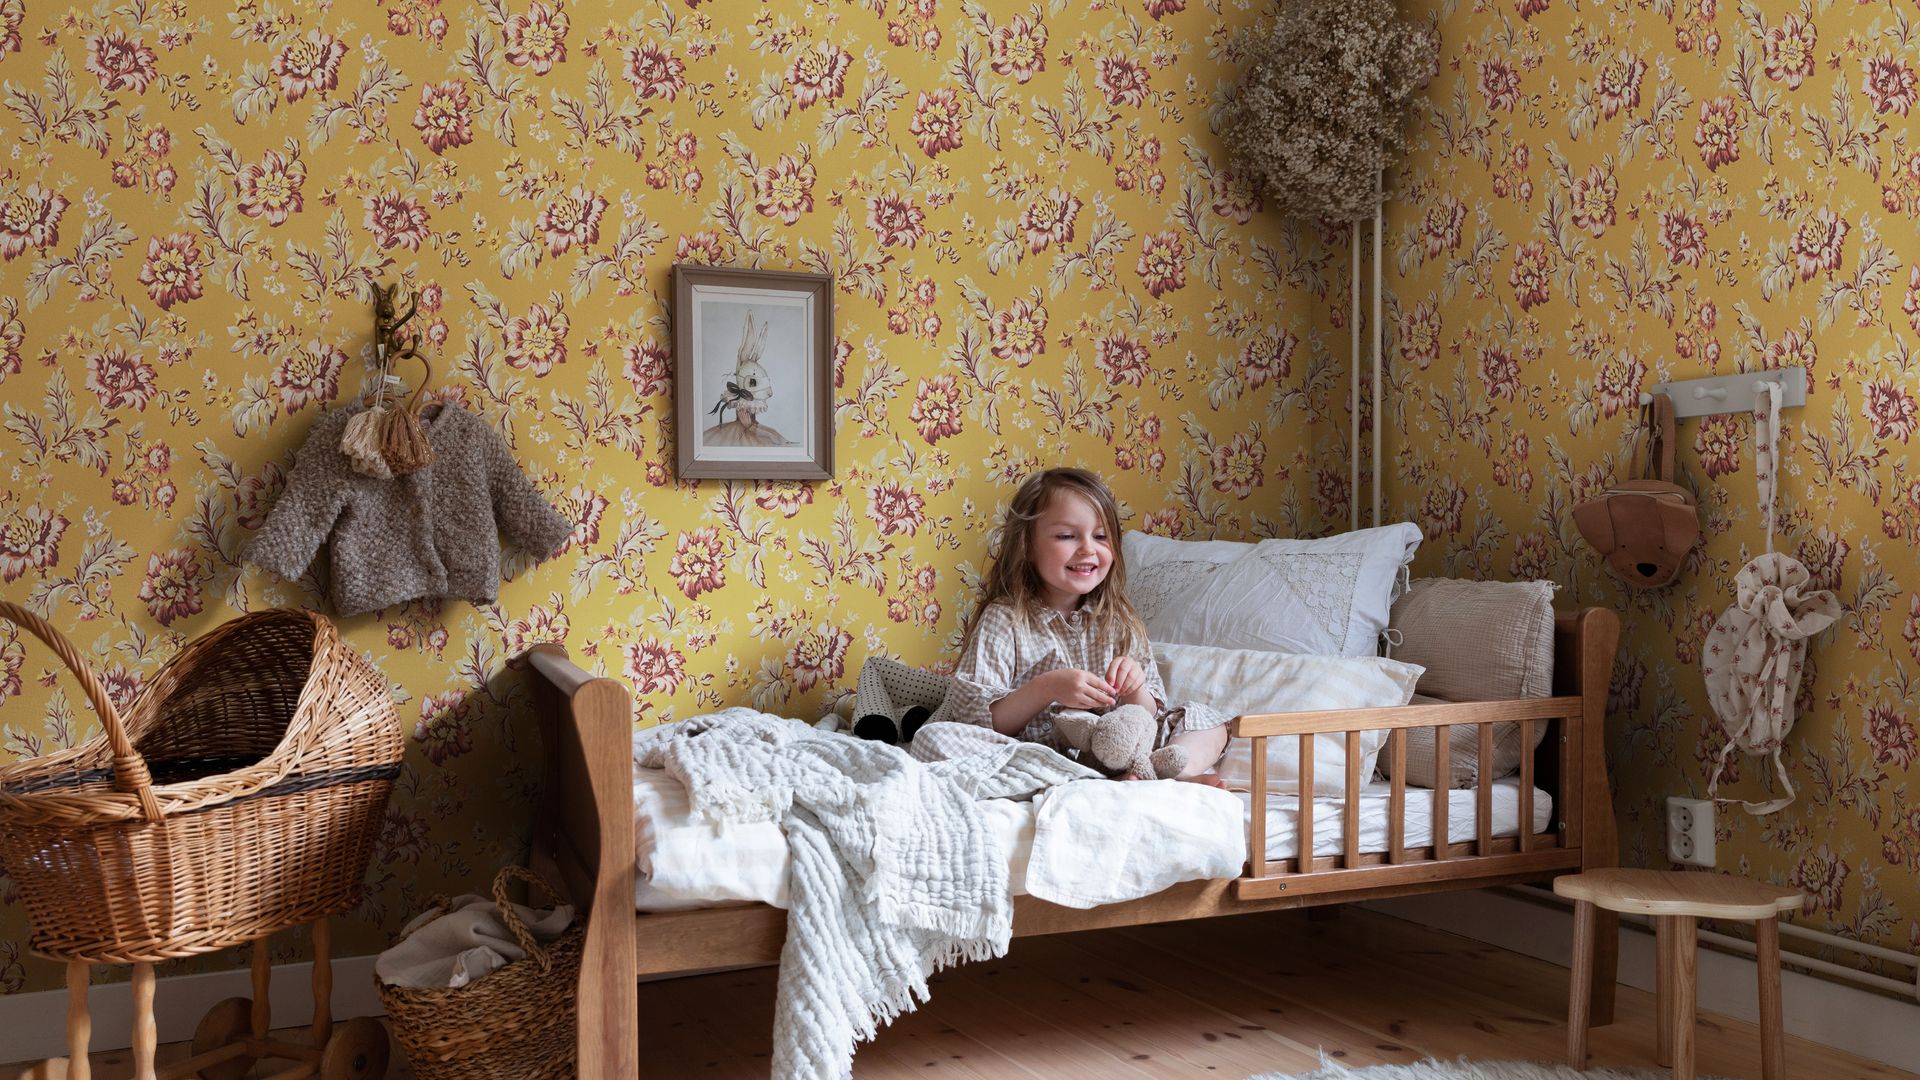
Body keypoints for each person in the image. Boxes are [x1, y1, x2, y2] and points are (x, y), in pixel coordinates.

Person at [939, 467, 1230, 782]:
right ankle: (1084, 781)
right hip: (1034, 754)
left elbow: (1146, 718)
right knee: (939, 740)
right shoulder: (1005, 619)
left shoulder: (1119, 620)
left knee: (1209, 721)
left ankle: (1174, 776)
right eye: (1067, 536)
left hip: (1112, 753)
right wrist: (1047, 688)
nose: (1089, 549)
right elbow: (980, 721)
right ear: (1027, 546)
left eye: (1101, 536)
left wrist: (1135, 688)